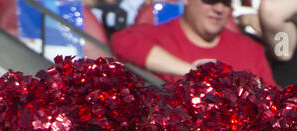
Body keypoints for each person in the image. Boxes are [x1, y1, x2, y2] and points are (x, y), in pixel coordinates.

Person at [110, 0, 276, 83]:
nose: (219, 9)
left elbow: (273, 99)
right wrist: (198, 73)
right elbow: (122, 43)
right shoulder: (158, 35)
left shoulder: (250, 49)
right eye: (210, 0)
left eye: (226, 2)